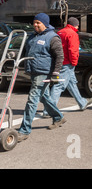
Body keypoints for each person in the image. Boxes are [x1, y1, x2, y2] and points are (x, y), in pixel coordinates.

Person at [17, 13, 66, 142]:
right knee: (44, 97)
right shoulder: (32, 36)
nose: (35, 25)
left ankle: (24, 130)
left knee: (32, 99)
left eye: (38, 23)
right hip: (33, 70)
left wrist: (56, 73)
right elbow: (25, 51)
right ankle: (58, 117)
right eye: (34, 22)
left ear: (45, 23)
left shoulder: (52, 37)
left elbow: (60, 56)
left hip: (43, 72)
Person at [43, 17, 92, 117]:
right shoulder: (72, 34)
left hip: (60, 61)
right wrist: (74, 62)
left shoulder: (60, 32)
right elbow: (73, 50)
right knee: (59, 86)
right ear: (75, 24)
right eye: (78, 25)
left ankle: (82, 103)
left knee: (71, 83)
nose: (78, 27)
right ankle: (48, 110)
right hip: (67, 63)